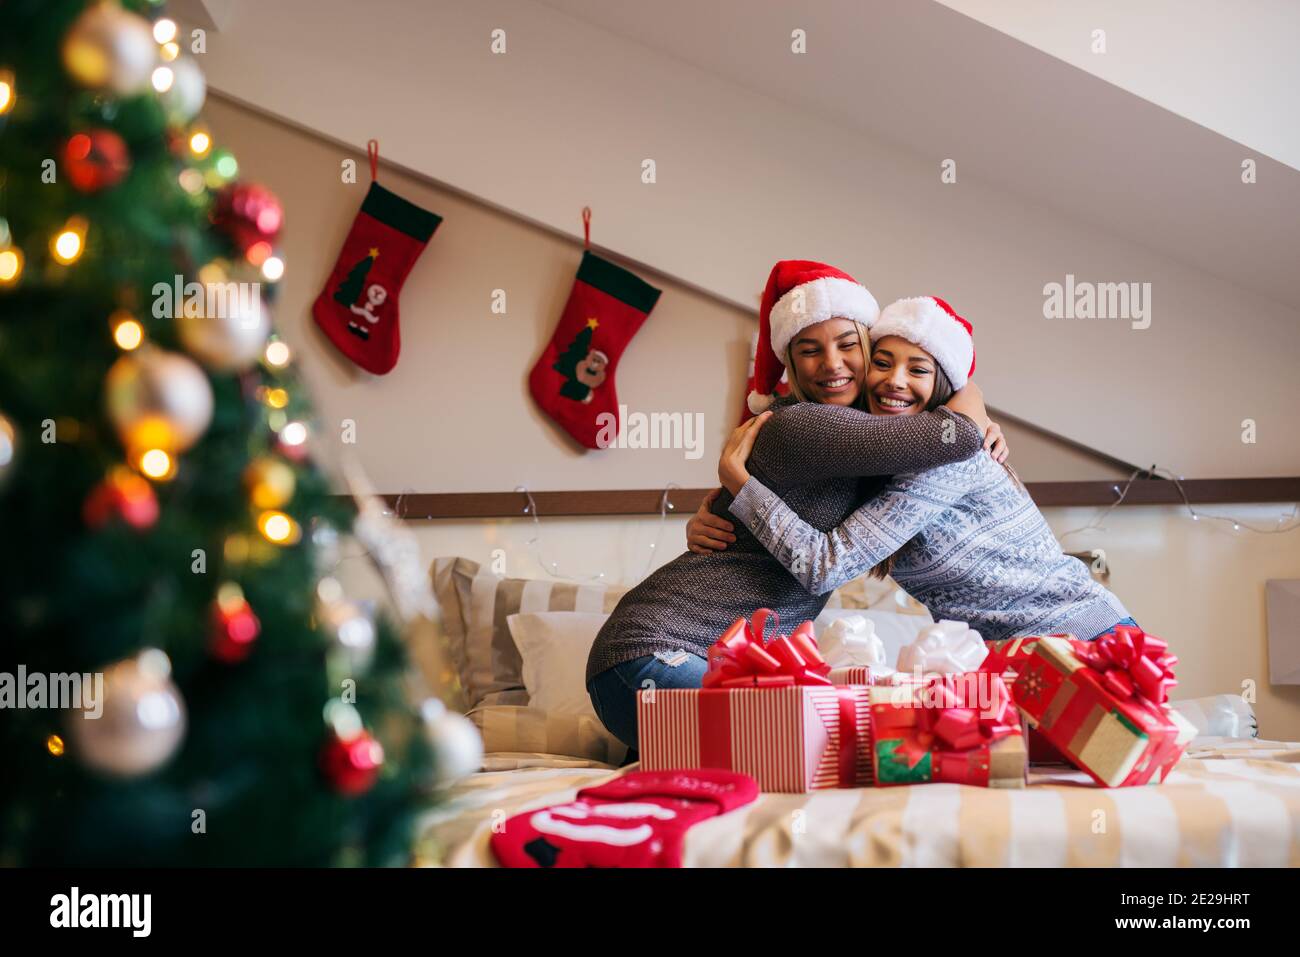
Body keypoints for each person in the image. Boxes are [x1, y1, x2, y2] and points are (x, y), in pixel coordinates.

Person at [585, 263, 1005, 759]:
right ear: (790, 363)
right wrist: (971, 396)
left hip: (695, 665)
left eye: (848, 345)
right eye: (809, 350)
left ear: (869, 351)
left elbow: (944, 438)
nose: (831, 363)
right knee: (813, 747)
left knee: (814, 743)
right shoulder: (803, 426)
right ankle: (672, 751)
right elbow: (953, 436)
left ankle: (666, 753)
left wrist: (979, 413)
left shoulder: (867, 442)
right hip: (655, 654)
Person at [689, 295, 1137, 645]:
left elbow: (826, 565)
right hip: (1015, 656)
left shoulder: (943, 458)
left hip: (1082, 639)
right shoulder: (882, 462)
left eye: (917, 369)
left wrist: (743, 487)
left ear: (941, 385)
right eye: (882, 363)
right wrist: (716, 515)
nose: (895, 380)